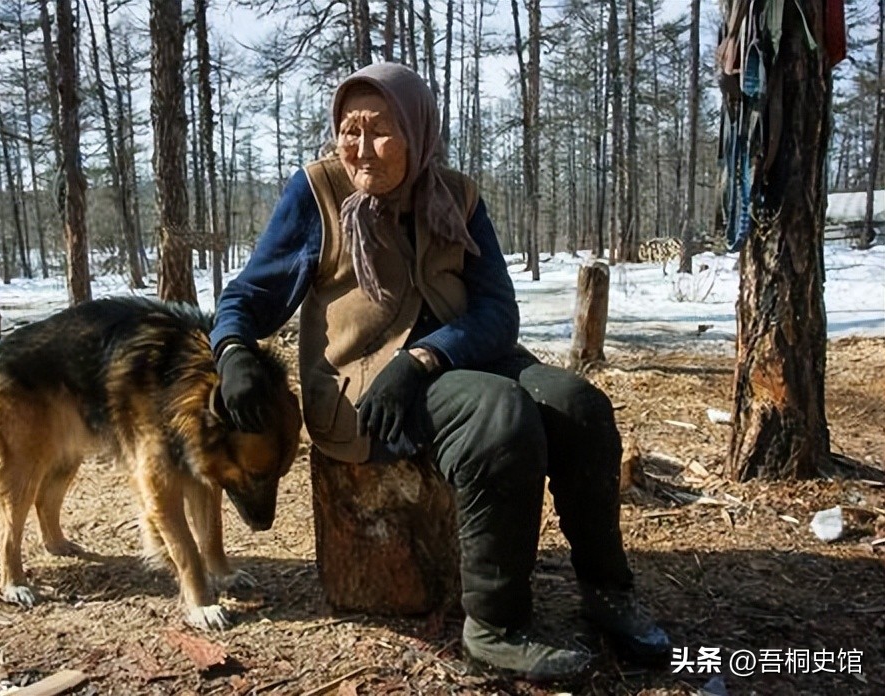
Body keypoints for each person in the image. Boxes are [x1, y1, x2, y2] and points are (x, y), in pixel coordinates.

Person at [209, 62, 670, 681]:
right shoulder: (318, 192)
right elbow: (251, 294)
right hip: (366, 384)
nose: (360, 148)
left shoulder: (456, 196)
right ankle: (496, 626)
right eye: (350, 129)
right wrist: (233, 350)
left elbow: (497, 310)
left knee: (578, 405)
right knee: (498, 415)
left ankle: (607, 591)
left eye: (379, 131)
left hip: (451, 360)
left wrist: (427, 356)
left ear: (418, 133)